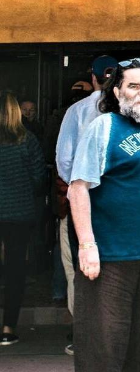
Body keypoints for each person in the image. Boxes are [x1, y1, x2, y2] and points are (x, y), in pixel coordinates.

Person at [67, 57, 140, 371]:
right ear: (117, 92)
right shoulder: (104, 127)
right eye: (134, 86)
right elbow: (78, 188)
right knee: (103, 348)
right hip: (112, 257)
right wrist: (87, 245)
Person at [55, 56, 117, 355]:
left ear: (93, 78)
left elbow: (64, 160)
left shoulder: (77, 111)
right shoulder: (126, 112)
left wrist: (80, 187)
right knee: (118, 266)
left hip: (84, 202)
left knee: (78, 269)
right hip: (117, 203)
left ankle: (85, 334)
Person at [0, 91, 46, 345]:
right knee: (15, 270)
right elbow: (39, 178)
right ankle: (8, 327)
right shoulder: (27, 140)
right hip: (19, 213)